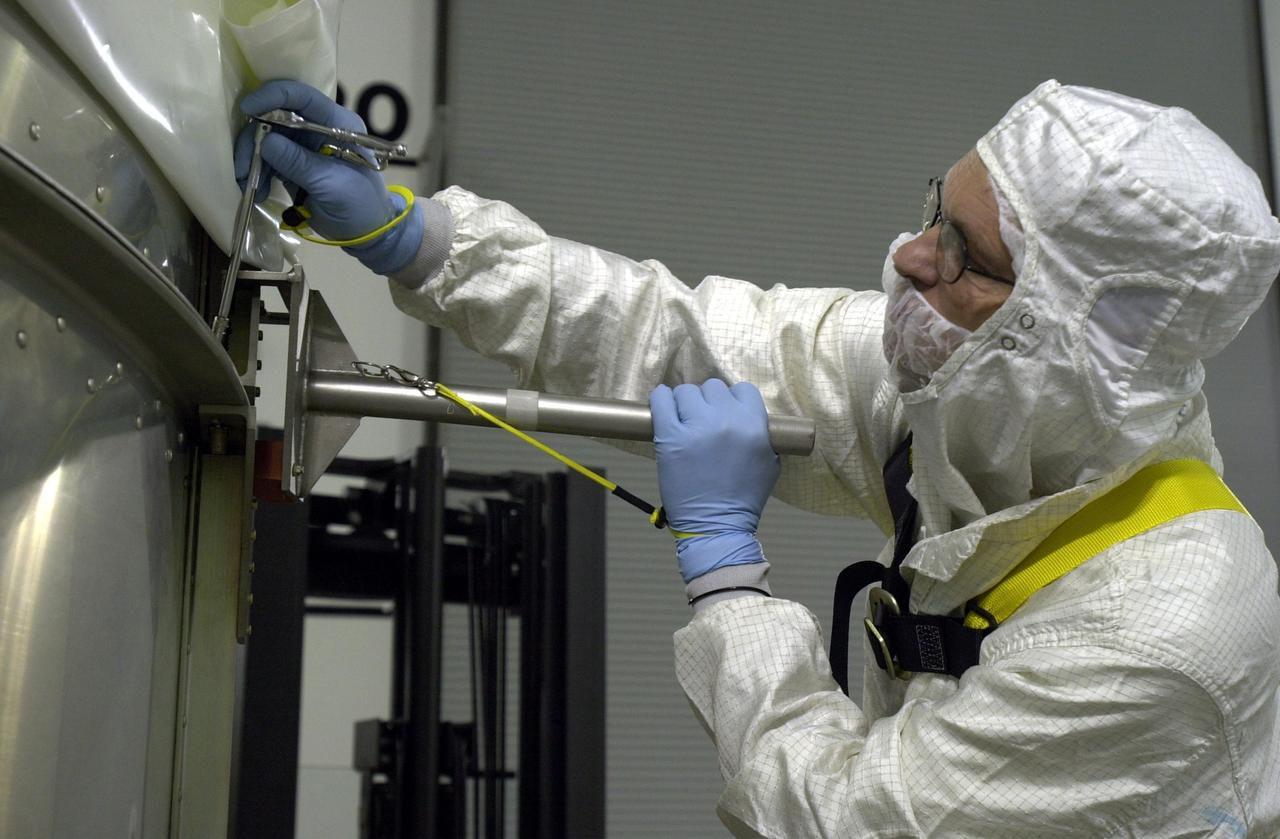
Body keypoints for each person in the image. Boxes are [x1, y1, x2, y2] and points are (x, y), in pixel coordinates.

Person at [236, 79, 1280, 836]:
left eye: (965, 256)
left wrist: (727, 575)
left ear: (1066, 342)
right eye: (934, 212)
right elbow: (679, 337)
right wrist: (418, 242)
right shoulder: (986, 402)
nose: (911, 259)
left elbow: (839, 820)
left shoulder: (1163, 635)